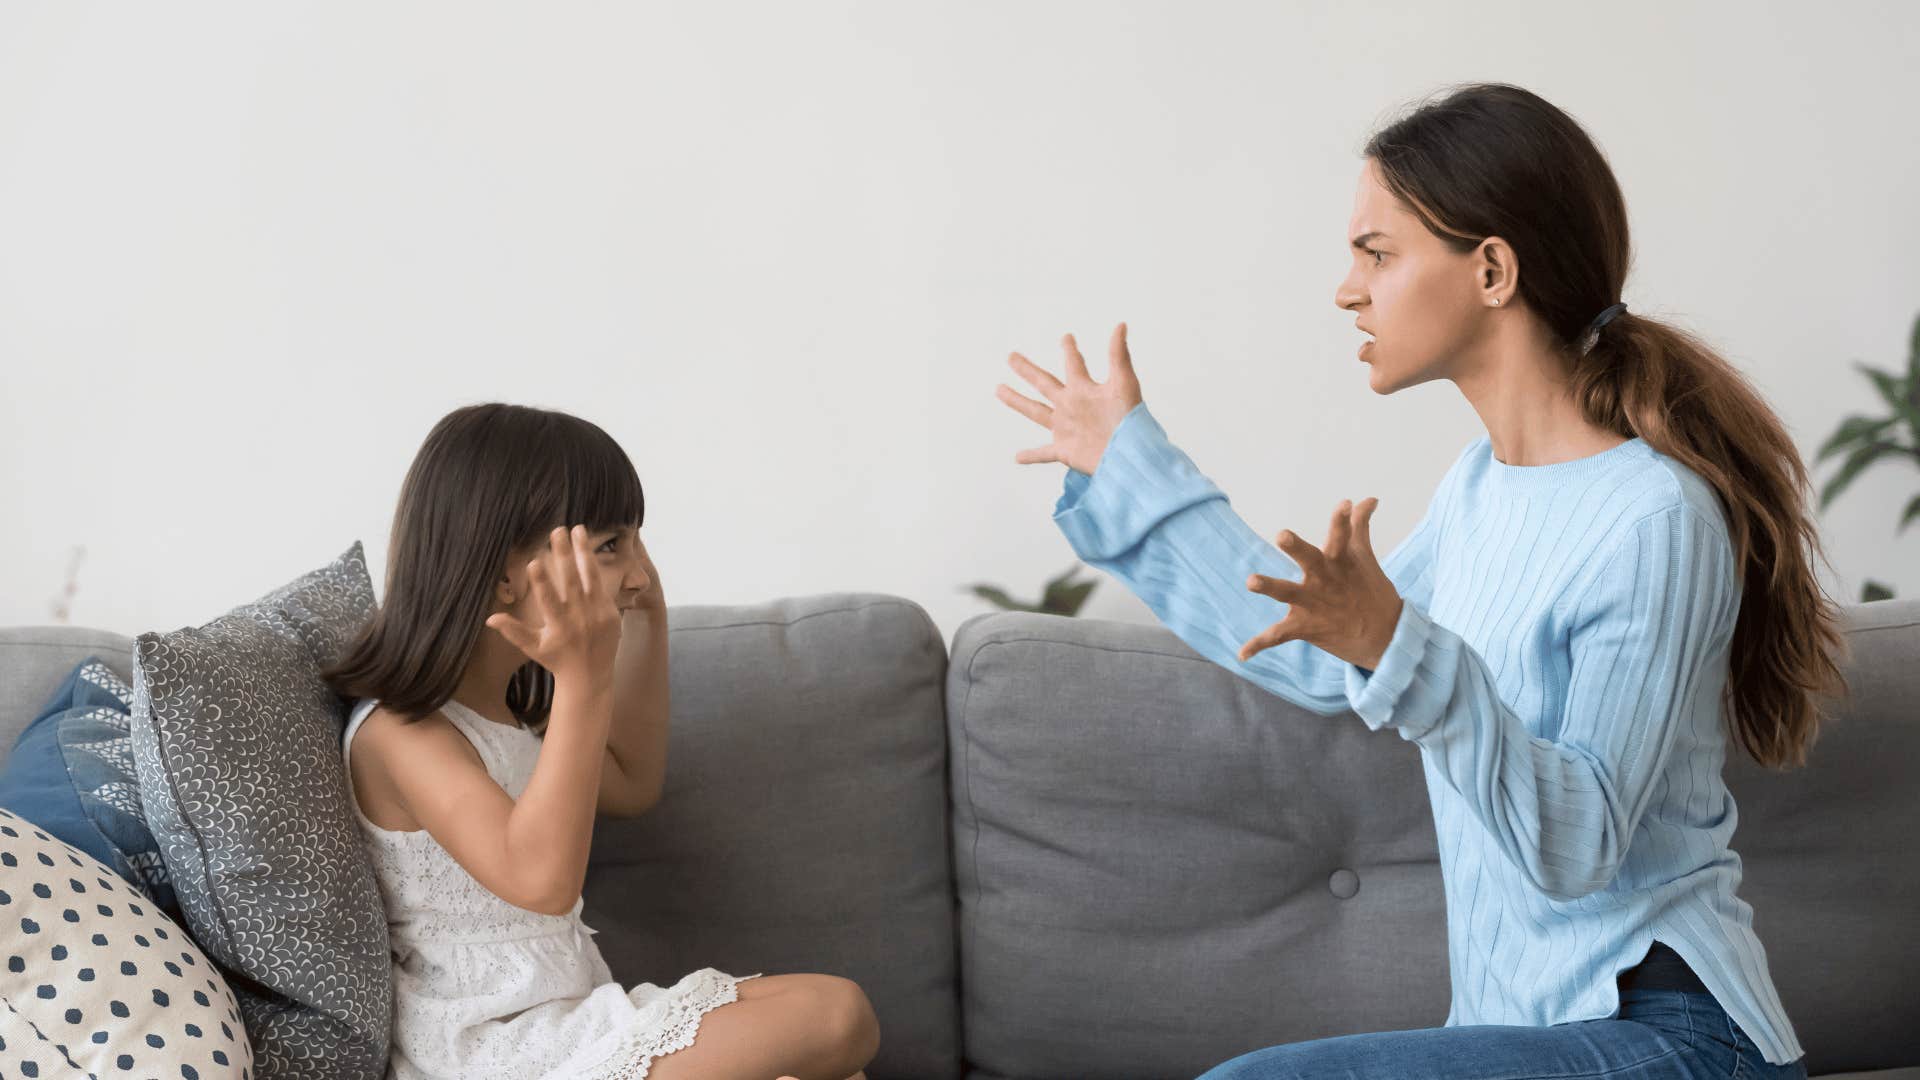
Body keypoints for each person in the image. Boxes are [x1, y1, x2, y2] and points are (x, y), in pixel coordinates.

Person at [994, 82, 1844, 1079]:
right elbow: (1324, 654)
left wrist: (1407, 653)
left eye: (1376, 252)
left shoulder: (1655, 521)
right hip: (1528, 1028)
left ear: (1490, 270)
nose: (1346, 290)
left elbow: (1580, 848)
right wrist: (1130, 470)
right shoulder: (1483, 489)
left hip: (1673, 1033)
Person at [324, 403, 878, 1080]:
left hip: (577, 1022)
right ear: (503, 574)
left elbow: (631, 781)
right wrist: (582, 679)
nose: (638, 571)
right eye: (612, 545)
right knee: (833, 1015)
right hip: (490, 1050)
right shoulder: (404, 732)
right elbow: (541, 879)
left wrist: (646, 615)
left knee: (815, 1038)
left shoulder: (506, 716)